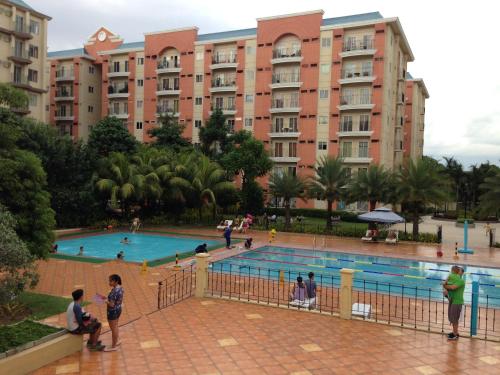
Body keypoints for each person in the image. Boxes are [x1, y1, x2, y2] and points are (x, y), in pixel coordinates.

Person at [99, 274, 124, 352]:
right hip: (119, 309)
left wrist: (104, 300)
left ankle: (113, 346)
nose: (109, 282)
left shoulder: (114, 292)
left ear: (116, 281)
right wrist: (106, 298)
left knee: (113, 328)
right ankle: (117, 341)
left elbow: (111, 304)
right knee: (116, 326)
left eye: (111, 281)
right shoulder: (120, 288)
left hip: (113, 311)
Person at [443, 266, 465, 340]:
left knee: (454, 318)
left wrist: (444, 285)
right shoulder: (453, 279)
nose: (457, 272)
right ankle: (455, 332)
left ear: (461, 273)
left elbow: (452, 287)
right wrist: (445, 287)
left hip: (457, 302)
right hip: (452, 300)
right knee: (452, 317)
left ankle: (455, 335)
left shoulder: (461, 281)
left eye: (459, 271)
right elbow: (446, 285)